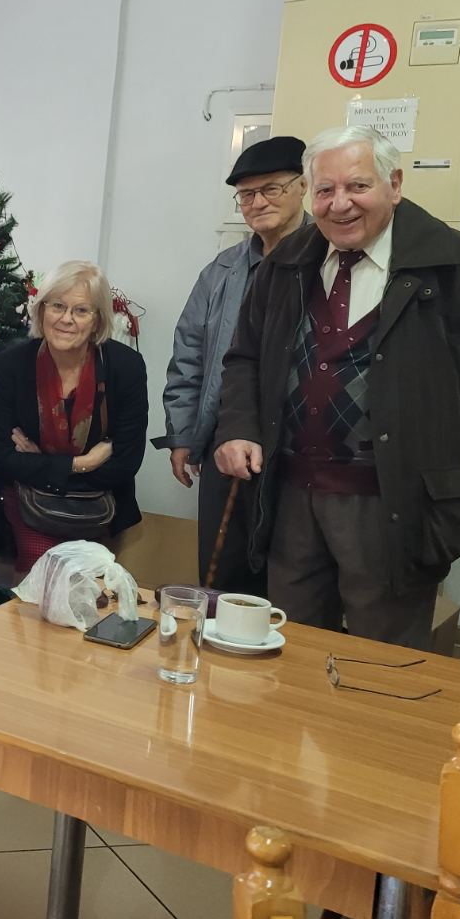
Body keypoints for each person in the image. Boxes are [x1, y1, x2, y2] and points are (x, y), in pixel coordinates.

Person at [215, 125, 460, 647]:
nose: (340, 204)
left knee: (381, 660)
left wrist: (443, 430)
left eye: (358, 186)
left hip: (393, 503)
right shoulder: (286, 262)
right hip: (291, 498)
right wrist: (238, 427)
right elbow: (245, 356)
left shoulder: (458, 265)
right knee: (291, 649)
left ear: (394, 184)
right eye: (325, 190)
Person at [155, 136, 306, 591]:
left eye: (271, 189)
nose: (257, 203)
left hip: (299, 453)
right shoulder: (221, 271)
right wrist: (184, 435)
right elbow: (189, 355)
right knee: (224, 576)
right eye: (246, 195)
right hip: (226, 446)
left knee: (292, 582)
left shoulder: (329, 262)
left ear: (303, 186)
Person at [0, 260, 148, 570]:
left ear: (98, 320)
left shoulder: (126, 367)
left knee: (93, 586)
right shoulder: (11, 365)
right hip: (30, 503)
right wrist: (82, 463)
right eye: (57, 306)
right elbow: (0, 460)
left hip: (101, 507)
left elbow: (125, 464)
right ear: (41, 311)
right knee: (43, 577)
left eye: (81, 310)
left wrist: (39, 463)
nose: (66, 319)